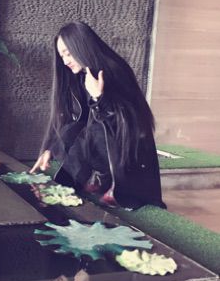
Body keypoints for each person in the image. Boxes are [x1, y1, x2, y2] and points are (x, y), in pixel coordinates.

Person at [30, 21, 166, 210]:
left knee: (91, 133)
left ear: (81, 47)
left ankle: (101, 184)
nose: (65, 61)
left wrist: (99, 98)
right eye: (62, 56)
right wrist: (51, 149)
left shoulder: (114, 70)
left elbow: (127, 121)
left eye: (68, 54)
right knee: (76, 132)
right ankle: (93, 181)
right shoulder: (81, 76)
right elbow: (80, 121)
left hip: (128, 147)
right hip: (105, 143)